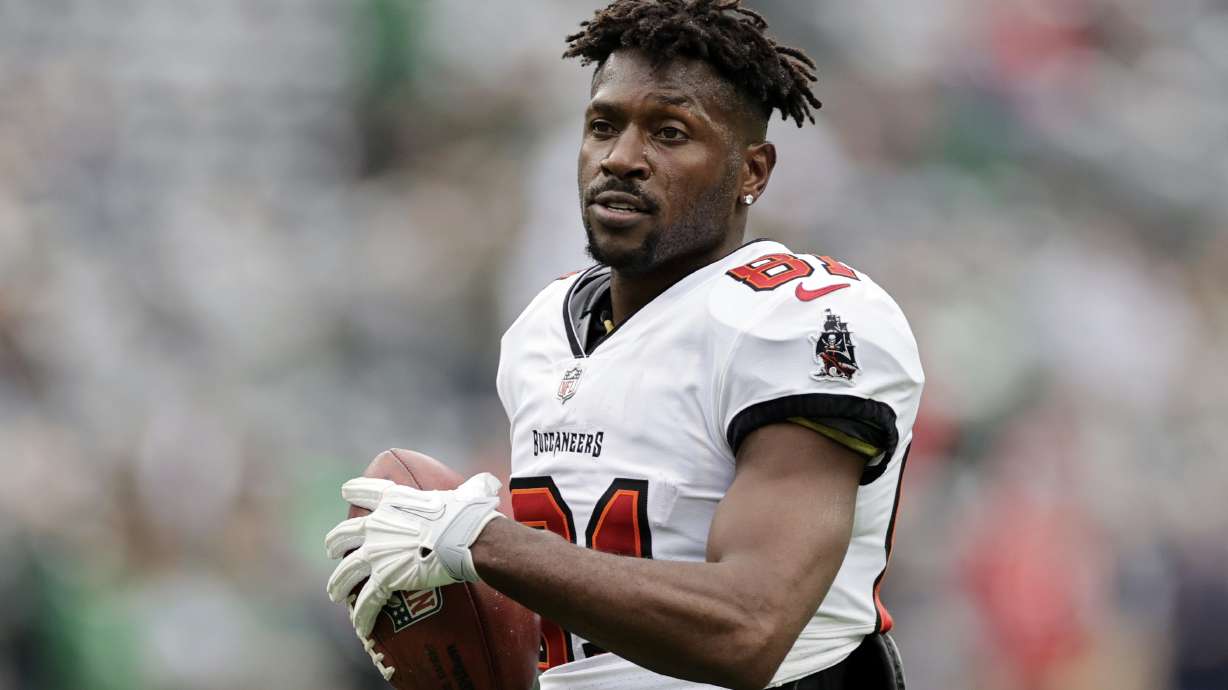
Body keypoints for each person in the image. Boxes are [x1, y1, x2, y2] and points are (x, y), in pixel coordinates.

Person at [325, 1, 923, 688]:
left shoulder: (803, 318)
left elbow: (749, 630)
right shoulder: (541, 327)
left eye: (669, 133)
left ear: (752, 172)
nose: (621, 158)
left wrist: (476, 540)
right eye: (603, 126)